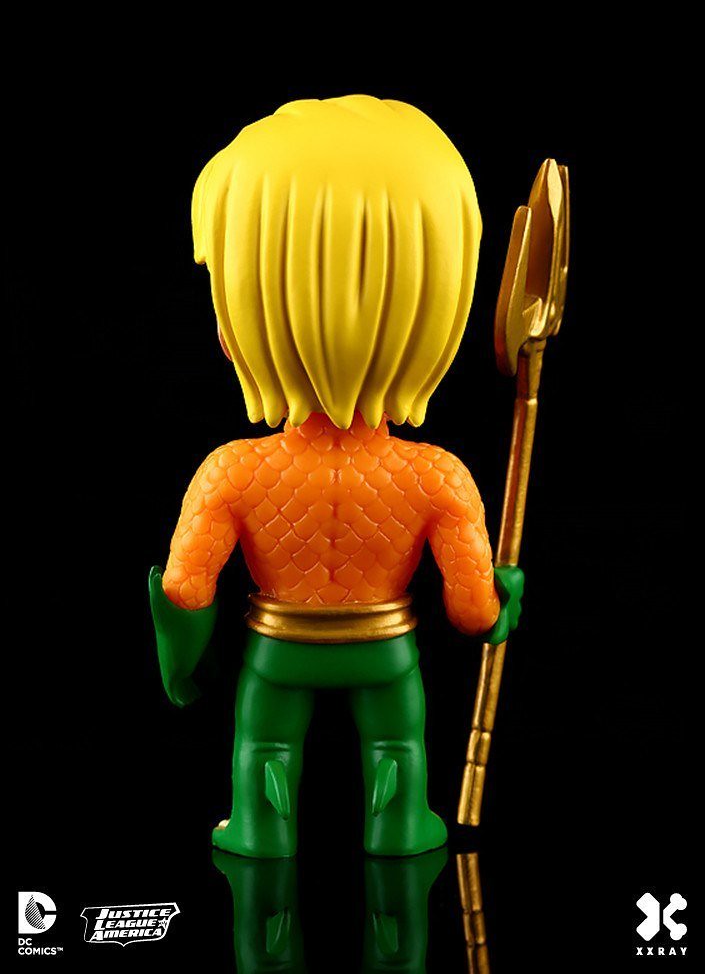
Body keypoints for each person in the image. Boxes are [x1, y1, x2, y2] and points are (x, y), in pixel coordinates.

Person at [149, 95, 524, 858]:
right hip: (385, 648)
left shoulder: (231, 471)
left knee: (263, 748)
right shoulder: (438, 477)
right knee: (398, 748)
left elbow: (186, 588)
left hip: (277, 648)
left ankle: (259, 829)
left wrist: (180, 663)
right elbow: (469, 610)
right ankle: (400, 826)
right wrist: (504, 600)